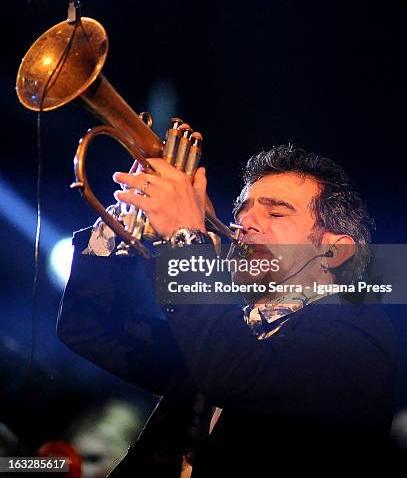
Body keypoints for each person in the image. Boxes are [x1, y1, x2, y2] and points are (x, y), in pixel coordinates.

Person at [57, 145, 398, 476]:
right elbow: (89, 329)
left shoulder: (361, 335)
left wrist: (184, 237)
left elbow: (232, 373)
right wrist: (122, 222)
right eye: (242, 212)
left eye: (276, 212)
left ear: (334, 253)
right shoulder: (230, 333)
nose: (244, 223)